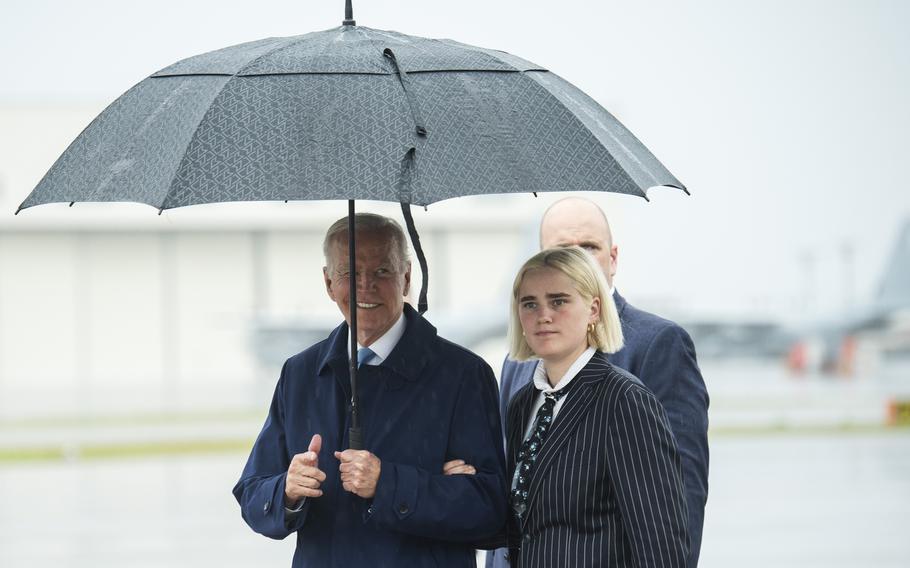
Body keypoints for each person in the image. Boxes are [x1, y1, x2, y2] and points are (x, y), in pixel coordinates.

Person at [233, 213, 508, 568]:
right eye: (350, 273)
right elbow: (252, 493)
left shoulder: (465, 376)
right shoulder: (299, 374)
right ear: (329, 282)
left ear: (407, 277)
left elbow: (491, 510)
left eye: (382, 271)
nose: (366, 286)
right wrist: (287, 489)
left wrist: (389, 484)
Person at [488, 196, 709, 568]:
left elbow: (678, 502)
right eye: (562, 251)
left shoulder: (657, 347)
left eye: (589, 247)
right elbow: (516, 496)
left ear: (613, 257)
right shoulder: (519, 370)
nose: (577, 261)